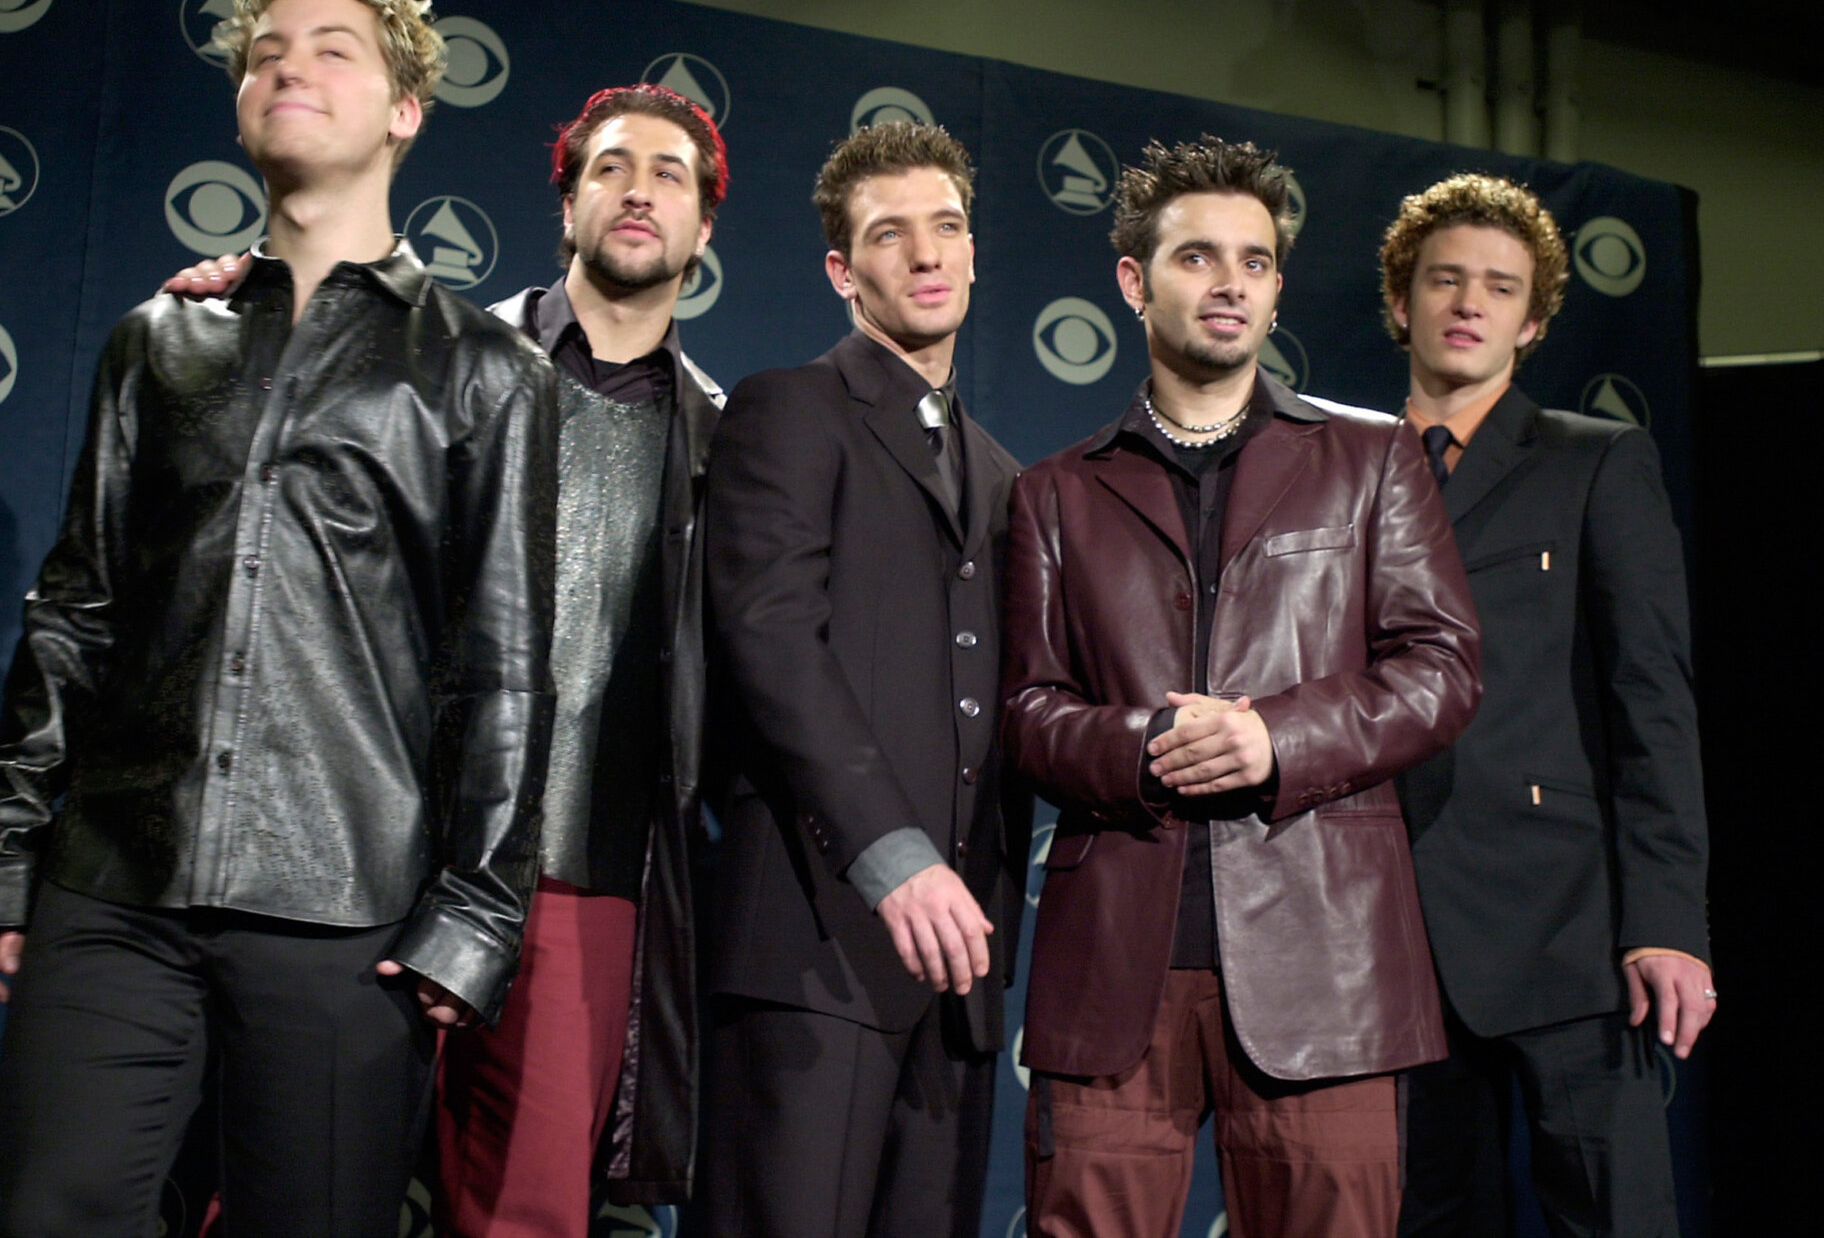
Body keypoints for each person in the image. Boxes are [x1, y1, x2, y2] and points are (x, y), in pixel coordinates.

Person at [0, 0, 555, 1237]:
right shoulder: (158, 337)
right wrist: (2, 854)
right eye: (267, 52)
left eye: (335, 47)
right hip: (115, 887)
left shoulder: (487, 369)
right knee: (59, 1213)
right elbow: (76, 609)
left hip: (345, 915)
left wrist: (479, 915)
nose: (291, 65)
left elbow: (507, 670)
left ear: (405, 110)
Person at [163, 82, 729, 1233]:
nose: (640, 192)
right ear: (566, 198)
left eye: (671, 174)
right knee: (277, 1190)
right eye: (612, 167)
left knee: (525, 1216)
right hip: (369, 850)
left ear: (704, 229)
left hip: (585, 881)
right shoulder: (433, 356)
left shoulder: (732, 438)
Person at [1002, 135, 1480, 1238]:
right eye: (1198, 258)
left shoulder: (1372, 459)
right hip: (1117, 965)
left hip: (1331, 968)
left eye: (1255, 262)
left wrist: (1277, 739)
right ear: (1134, 282)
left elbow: (1445, 666)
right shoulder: (1054, 494)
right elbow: (1027, 712)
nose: (1230, 284)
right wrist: (1144, 744)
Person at [699, 121, 1028, 1238]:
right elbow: (770, 641)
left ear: (976, 254)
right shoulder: (789, 407)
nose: (927, 255)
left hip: (959, 979)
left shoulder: (1003, 476)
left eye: (947, 229)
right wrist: (897, 861)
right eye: (892, 236)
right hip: (814, 947)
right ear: (844, 272)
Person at [1383, 174, 1712, 1238]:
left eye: (1498, 287)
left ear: (1532, 321)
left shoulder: (1594, 460)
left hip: (1571, 931)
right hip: (1389, 936)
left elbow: (1652, 700)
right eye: (1445, 280)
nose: (1468, 303)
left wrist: (1666, 922)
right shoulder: (1336, 471)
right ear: (1402, 303)